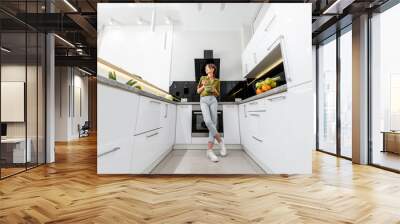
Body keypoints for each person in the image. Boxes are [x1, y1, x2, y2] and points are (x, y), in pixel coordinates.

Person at [196, 63, 227, 162]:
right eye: (205, 68)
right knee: (208, 121)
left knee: (213, 124)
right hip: (204, 100)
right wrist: (204, 86)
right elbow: (198, 91)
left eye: (207, 68)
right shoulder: (203, 78)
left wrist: (214, 90)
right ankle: (221, 142)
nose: (206, 69)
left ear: (212, 69)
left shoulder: (217, 81)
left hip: (213, 100)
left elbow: (218, 93)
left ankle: (209, 151)